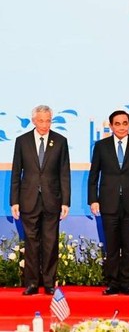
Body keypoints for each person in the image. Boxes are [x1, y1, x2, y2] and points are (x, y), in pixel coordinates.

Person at [10, 105, 71, 296]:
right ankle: (32, 283)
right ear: (34, 120)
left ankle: (49, 282)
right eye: (41, 120)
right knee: (31, 242)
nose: (45, 124)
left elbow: (64, 173)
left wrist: (65, 202)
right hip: (28, 200)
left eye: (48, 120)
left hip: (52, 199)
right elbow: (16, 172)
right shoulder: (22, 141)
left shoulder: (60, 141)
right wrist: (15, 201)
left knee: (50, 242)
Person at [88, 110, 129, 296]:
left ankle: (127, 283)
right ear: (111, 126)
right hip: (108, 203)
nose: (122, 127)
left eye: (125, 123)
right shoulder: (101, 146)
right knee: (112, 245)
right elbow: (94, 176)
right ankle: (113, 283)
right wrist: (93, 199)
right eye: (118, 123)